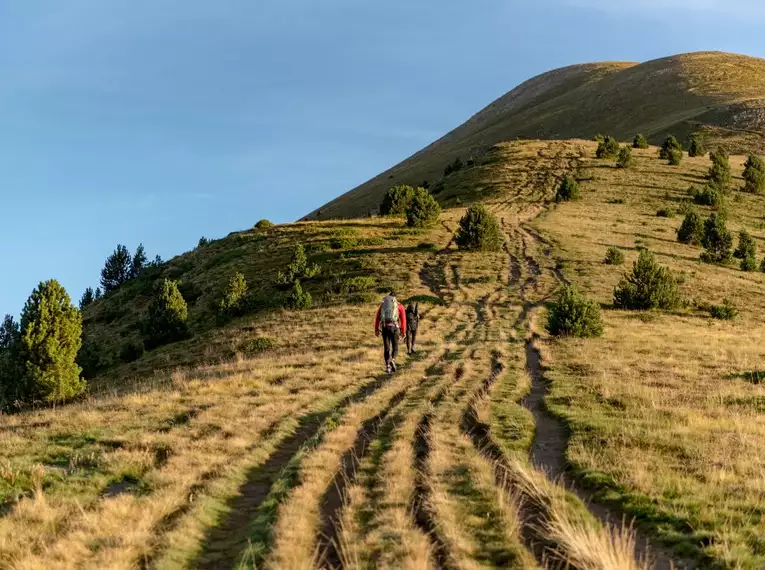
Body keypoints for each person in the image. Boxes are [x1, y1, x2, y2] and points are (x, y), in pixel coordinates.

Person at [374, 290, 406, 373]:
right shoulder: (400, 306)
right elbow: (403, 320)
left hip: (385, 328)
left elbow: (377, 317)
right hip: (395, 328)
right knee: (395, 347)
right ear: (395, 299)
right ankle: (393, 359)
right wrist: (403, 331)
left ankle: (388, 366)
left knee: (387, 348)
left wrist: (376, 329)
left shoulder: (383, 305)